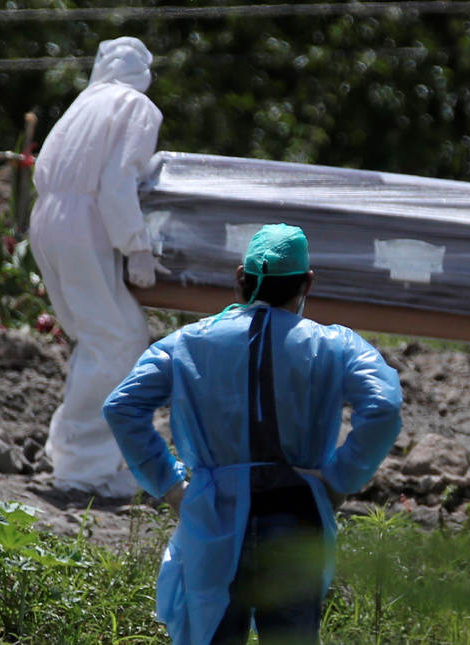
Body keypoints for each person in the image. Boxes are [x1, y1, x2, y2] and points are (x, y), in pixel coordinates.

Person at [103, 224, 403, 645]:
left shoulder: (186, 343)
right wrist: (340, 479)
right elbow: (384, 405)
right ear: (307, 283)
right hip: (296, 513)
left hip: (214, 517)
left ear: (240, 278)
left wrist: (170, 486)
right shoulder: (335, 344)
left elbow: (122, 406)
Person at [29, 36, 168, 498]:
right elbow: (116, 183)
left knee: (101, 339)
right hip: (83, 225)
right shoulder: (136, 106)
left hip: (47, 219)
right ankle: (84, 469)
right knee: (116, 340)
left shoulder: (83, 103)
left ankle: (88, 457)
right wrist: (136, 244)